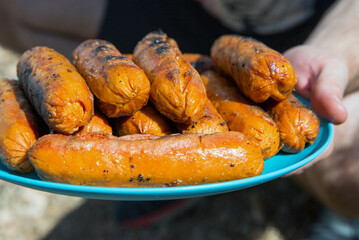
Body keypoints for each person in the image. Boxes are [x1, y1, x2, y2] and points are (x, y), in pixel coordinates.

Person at [0, 0, 358, 236]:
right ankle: (179, 179)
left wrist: (329, 49)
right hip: (183, 16)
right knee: (13, 10)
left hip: (304, 28)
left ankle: (343, 221)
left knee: (345, 170)